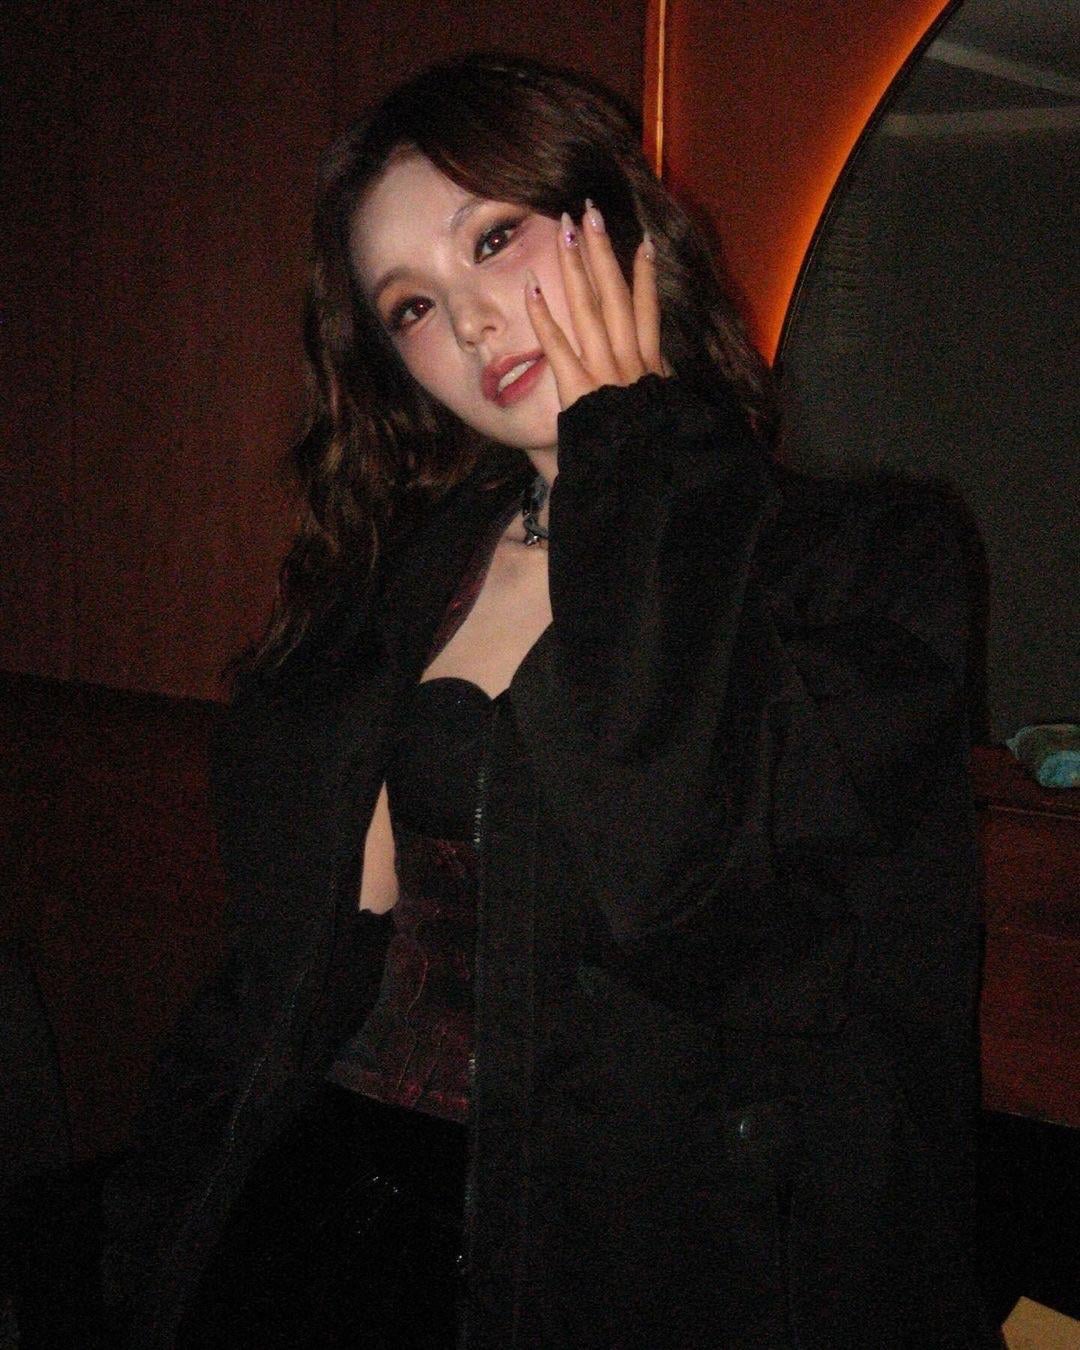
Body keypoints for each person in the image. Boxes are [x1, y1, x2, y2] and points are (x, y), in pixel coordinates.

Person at [102, 52, 1000, 1350]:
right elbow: (281, 970)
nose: (469, 322)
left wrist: (628, 459)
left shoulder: (864, 561)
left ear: (617, 220)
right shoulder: (404, 574)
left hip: (634, 1268)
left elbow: (706, 906)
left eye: (494, 238)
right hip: (314, 1219)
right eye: (412, 305)